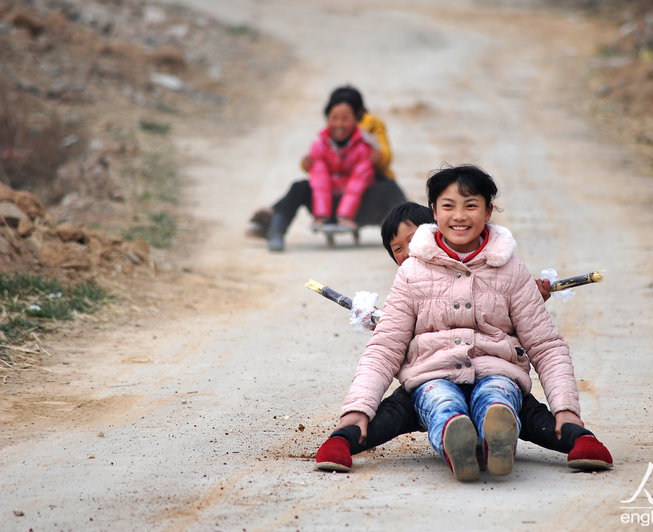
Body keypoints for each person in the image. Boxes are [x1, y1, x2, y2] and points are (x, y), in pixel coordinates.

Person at [316, 165, 612, 481]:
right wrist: (356, 412)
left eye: (471, 205)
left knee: (498, 396)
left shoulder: (512, 271)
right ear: (434, 213)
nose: (459, 215)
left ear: (488, 211)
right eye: (448, 206)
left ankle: (497, 437)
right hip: (433, 376)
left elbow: (546, 346)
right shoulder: (412, 273)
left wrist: (567, 412)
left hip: (498, 372)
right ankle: (457, 442)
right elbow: (385, 349)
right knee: (441, 401)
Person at [249, 85, 405, 250]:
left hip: (362, 200)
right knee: (299, 187)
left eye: (345, 118)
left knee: (389, 187)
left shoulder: (368, 136)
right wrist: (307, 163)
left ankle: (413, 230)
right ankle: (274, 229)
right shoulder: (323, 141)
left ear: (357, 117)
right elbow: (317, 171)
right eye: (334, 117)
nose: (339, 123)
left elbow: (380, 160)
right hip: (329, 201)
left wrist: (378, 158)